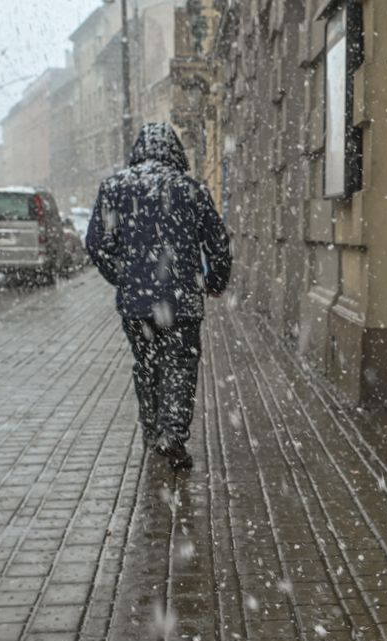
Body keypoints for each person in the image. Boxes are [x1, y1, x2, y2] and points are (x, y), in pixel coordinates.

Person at [86, 122, 232, 470]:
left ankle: (152, 432)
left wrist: (122, 276)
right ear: (174, 151)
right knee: (180, 366)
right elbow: (218, 244)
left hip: (136, 304)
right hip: (182, 301)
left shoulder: (115, 188)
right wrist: (214, 281)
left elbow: (96, 244)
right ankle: (174, 435)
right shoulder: (191, 189)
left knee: (147, 365)